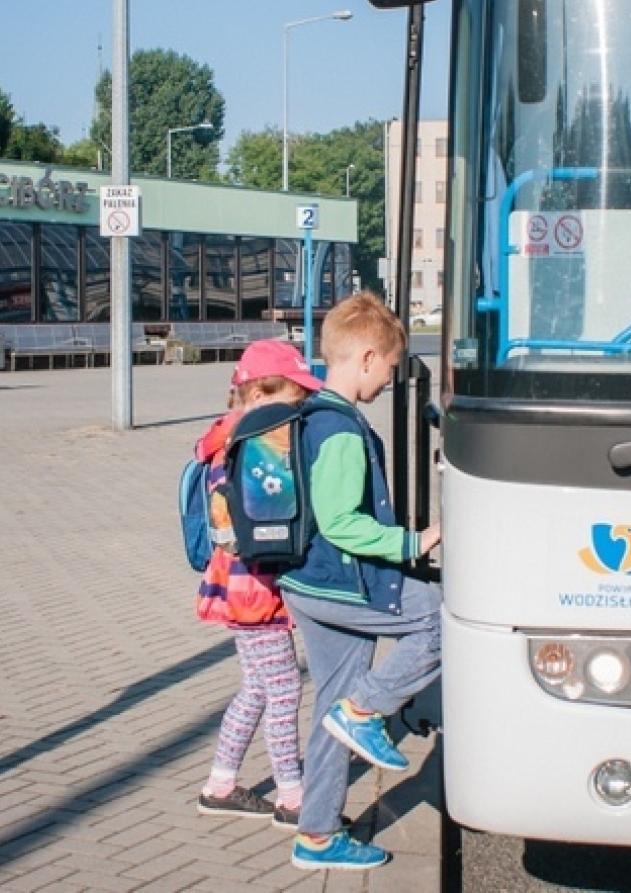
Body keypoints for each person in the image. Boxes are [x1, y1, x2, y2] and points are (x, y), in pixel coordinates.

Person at [279, 291, 442, 872]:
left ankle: (316, 835)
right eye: (393, 367)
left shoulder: (307, 413)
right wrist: (411, 543)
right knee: (440, 617)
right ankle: (368, 711)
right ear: (368, 358)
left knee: (332, 707)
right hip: (337, 582)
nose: (390, 379)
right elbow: (342, 523)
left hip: (304, 582)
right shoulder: (342, 429)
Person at [191, 340, 322, 829]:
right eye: (296, 394)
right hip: (254, 588)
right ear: (265, 392)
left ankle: (220, 785)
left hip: (237, 583)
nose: (302, 404)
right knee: (285, 690)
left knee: (256, 689)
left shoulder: (225, 437)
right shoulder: (255, 442)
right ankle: (293, 797)